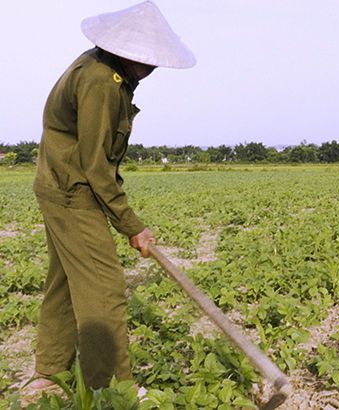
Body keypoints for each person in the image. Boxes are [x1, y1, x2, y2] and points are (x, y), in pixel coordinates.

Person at [29, 1, 196, 390]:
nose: (153, 69)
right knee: (104, 291)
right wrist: (131, 226)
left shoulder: (100, 66)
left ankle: (49, 371)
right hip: (73, 193)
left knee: (67, 282)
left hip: (60, 186)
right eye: (149, 60)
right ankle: (112, 390)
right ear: (128, 54)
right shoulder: (102, 81)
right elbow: (96, 166)